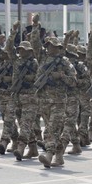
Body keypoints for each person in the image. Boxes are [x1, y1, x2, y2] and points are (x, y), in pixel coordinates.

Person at [36, 37, 77, 168]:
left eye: (52, 46)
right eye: (48, 46)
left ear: (59, 48)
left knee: (52, 129)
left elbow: (73, 81)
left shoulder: (65, 63)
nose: (49, 48)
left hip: (59, 101)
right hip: (44, 101)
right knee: (51, 129)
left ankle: (49, 155)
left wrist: (61, 76)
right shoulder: (43, 59)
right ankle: (59, 157)